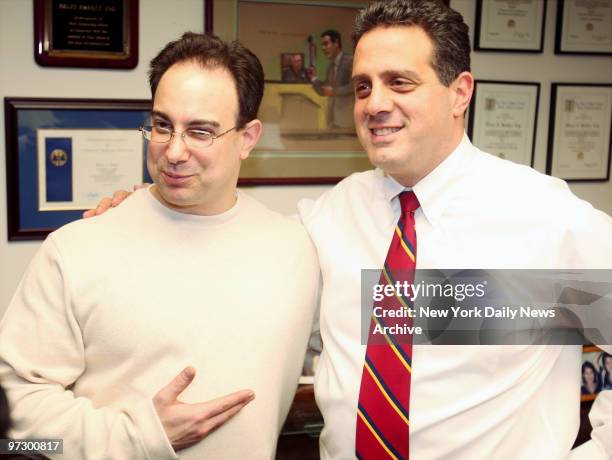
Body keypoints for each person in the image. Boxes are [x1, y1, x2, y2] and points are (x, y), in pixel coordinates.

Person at [85, 1, 612, 458]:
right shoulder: (334, 215)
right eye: (363, 86)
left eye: (399, 82)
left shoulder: (542, 216)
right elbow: (230, 253)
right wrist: (148, 211)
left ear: (460, 93)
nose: (375, 104)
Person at [0, 32, 319, 459]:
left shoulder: (296, 248)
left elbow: (380, 345)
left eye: (200, 131)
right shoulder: (76, 249)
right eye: (162, 125)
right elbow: (16, 429)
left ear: (247, 138)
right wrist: (140, 436)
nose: (173, 151)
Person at [308, 29, 354, 129]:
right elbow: (324, 91)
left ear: (336, 43)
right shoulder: (330, 67)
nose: (323, 48)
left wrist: (334, 91)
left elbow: (354, 86)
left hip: (346, 121)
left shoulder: (350, 61)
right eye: (322, 45)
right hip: (331, 120)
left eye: (326, 44)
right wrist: (314, 78)